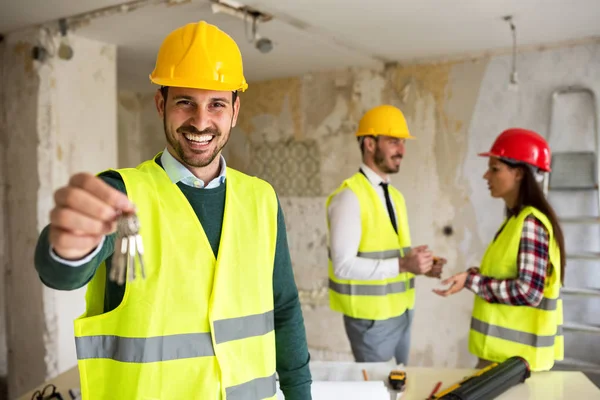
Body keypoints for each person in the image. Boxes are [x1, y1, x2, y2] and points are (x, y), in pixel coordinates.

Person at [33, 21, 312, 400]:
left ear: (235, 110)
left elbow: (284, 307)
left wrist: (301, 395)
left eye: (216, 104)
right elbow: (63, 274)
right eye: (185, 102)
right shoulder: (121, 193)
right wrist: (66, 248)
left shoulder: (262, 199)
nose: (201, 121)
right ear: (161, 104)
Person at [434, 127, 565, 372]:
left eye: (495, 169)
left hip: (514, 366)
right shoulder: (515, 221)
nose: (486, 176)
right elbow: (504, 275)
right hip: (504, 362)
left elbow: (528, 292)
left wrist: (474, 281)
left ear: (518, 174)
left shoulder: (530, 224)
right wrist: (468, 278)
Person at [326, 104, 447, 365]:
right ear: (369, 144)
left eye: (403, 142)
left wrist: (420, 266)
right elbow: (343, 267)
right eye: (394, 141)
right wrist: (404, 264)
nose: (402, 150)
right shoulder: (350, 197)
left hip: (402, 311)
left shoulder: (395, 196)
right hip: (372, 321)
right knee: (378, 391)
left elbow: (388, 250)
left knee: (399, 386)